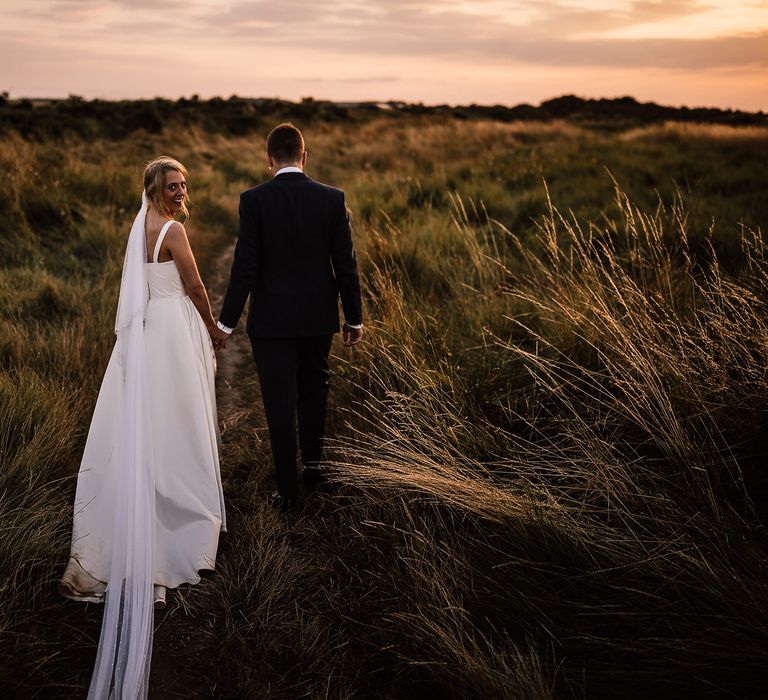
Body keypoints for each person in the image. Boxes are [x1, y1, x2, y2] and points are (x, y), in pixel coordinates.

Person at [59, 156, 226, 698]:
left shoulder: (140, 227)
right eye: (172, 186)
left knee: (147, 427)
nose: (181, 193)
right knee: (178, 424)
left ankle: (143, 510)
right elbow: (196, 286)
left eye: (183, 185)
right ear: (156, 190)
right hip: (173, 330)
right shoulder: (173, 230)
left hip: (146, 333)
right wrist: (212, 326)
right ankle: (178, 519)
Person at [212, 122, 363, 513]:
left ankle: (287, 491)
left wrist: (226, 323)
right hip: (318, 318)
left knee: (278, 401)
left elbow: (244, 267)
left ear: (269, 160)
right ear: (304, 155)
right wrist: (354, 317)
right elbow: (345, 264)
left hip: (271, 323)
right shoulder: (332, 199)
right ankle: (314, 469)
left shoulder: (254, 200)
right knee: (315, 390)